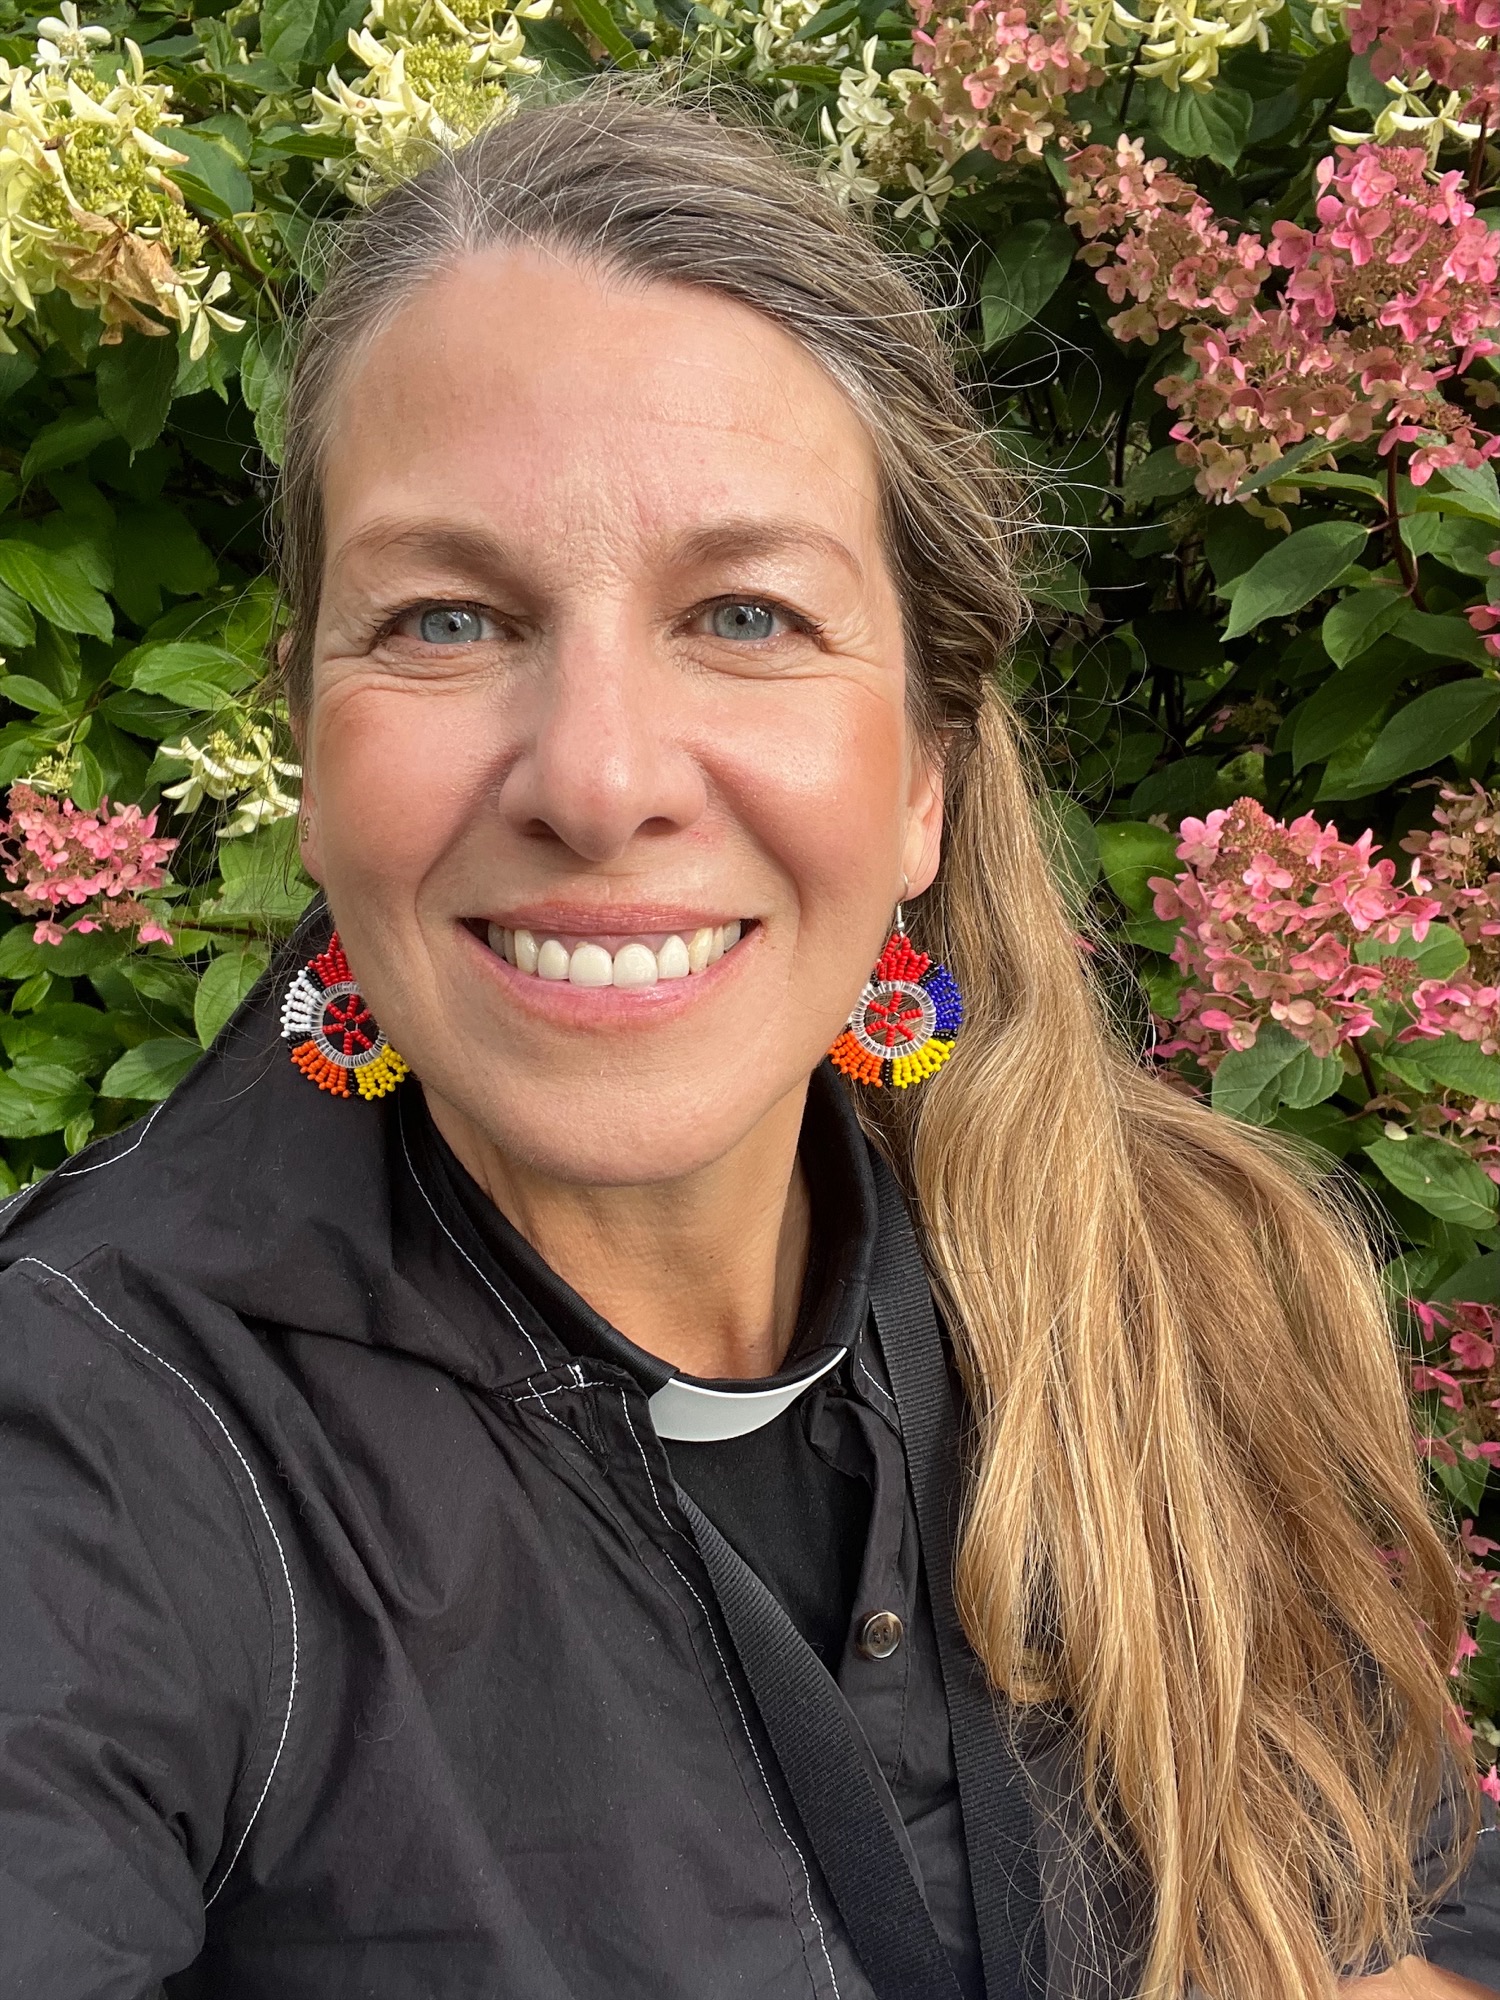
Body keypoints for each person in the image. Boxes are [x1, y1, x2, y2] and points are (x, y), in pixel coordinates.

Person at [0, 84, 1495, 2000]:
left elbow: (1394, 1928)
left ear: (925, 775)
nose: (598, 778)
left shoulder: (1182, 1284)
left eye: (746, 614)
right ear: (308, 739)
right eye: (446, 619)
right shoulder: (98, 1440)